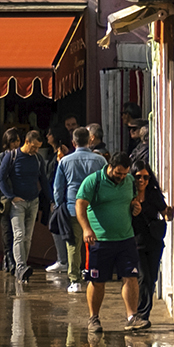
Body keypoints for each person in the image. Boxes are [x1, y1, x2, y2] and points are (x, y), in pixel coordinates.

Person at [75, 148, 143, 330]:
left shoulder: (129, 181)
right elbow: (80, 205)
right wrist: (86, 229)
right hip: (100, 240)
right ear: (110, 167)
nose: (121, 177)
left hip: (125, 239)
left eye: (125, 174)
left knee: (131, 276)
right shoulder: (93, 181)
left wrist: (136, 206)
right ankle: (93, 318)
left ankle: (132, 317)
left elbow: (134, 200)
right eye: (118, 173)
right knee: (97, 281)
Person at [51, 126, 107, 296]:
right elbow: (105, 184)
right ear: (90, 140)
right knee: (95, 243)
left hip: (72, 207)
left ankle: (75, 280)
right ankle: (95, 274)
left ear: (73, 142)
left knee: (73, 245)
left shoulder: (65, 161)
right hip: (95, 208)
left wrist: (59, 204)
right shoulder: (100, 161)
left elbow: (58, 187)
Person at [0, 131, 49, 281]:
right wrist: (11, 197)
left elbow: (44, 181)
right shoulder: (11, 156)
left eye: (38, 148)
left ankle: (22, 266)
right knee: (19, 234)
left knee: (27, 237)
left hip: (33, 201)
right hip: (17, 203)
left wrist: (52, 199)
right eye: (34, 147)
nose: (35, 150)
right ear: (26, 142)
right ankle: (20, 267)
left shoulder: (38, 158)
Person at [129, 161, 172, 329]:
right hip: (135, 242)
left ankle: (143, 315)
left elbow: (164, 213)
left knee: (151, 278)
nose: (142, 180)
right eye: (138, 176)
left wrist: (169, 213)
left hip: (153, 241)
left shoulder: (153, 194)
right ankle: (141, 314)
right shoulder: (127, 195)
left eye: (146, 177)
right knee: (143, 277)